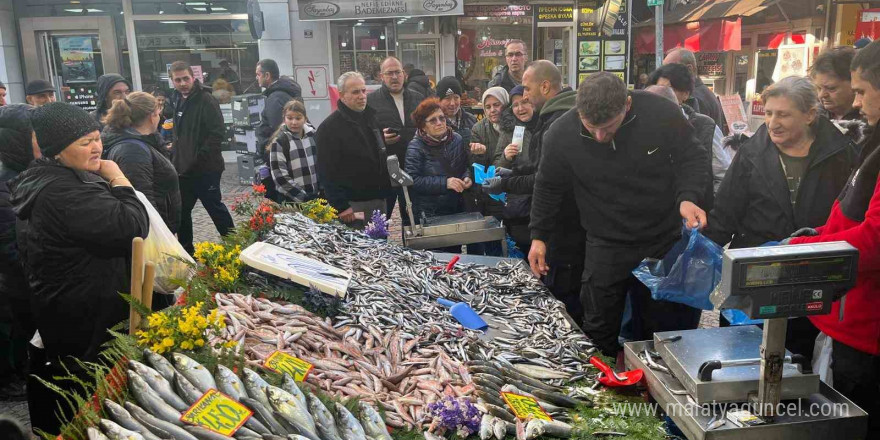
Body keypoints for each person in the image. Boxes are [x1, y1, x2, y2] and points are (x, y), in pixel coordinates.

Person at [529, 72, 708, 357]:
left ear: (627, 104)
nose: (600, 136)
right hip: (605, 241)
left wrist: (688, 198)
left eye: (609, 127)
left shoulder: (661, 113)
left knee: (657, 327)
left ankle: (651, 390)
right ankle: (601, 387)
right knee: (597, 326)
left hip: (660, 238)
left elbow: (693, 157)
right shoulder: (560, 134)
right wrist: (539, 237)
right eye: (591, 128)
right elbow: (547, 186)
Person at [8, 102, 148, 434]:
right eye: (85, 142)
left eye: (97, 138)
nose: (97, 147)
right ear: (57, 148)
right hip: (86, 316)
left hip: (71, 306)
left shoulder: (51, 179)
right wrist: (117, 178)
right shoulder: (64, 192)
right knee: (91, 395)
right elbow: (132, 225)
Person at [705, 76, 858, 361]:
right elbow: (725, 213)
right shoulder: (751, 152)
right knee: (743, 358)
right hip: (756, 273)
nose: (773, 122)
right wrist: (703, 258)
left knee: (799, 360)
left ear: (810, 115)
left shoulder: (841, 153)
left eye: (784, 114)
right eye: (770, 112)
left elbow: (851, 215)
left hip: (813, 273)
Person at [784, 40, 880, 435]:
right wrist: (821, 235)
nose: (856, 103)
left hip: (866, 334)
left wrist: (805, 250)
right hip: (848, 323)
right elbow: (856, 214)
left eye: (861, 90)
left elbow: (874, 240)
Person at [484, 60, 584, 325]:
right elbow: (541, 169)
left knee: (566, 294)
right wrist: (511, 173)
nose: (524, 96)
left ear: (545, 86)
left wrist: (506, 183)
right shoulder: (557, 116)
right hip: (566, 222)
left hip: (565, 225)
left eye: (527, 89)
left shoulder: (557, 123)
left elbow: (545, 180)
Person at [167, 61, 234, 254]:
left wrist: (199, 158)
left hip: (205, 168)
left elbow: (217, 133)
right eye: (178, 80)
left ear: (193, 78)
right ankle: (187, 252)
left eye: (185, 78)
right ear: (172, 81)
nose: (182, 83)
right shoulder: (177, 99)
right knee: (182, 212)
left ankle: (235, 247)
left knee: (215, 208)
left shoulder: (206, 99)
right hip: (183, 168)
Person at [316, 72, 391, 229]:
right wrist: (341, 206)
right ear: (342, 95)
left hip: (378, 200)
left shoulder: (372, 118)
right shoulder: (328, 128)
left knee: (380, 250)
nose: (362, 96)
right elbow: (326, 173)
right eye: (355, 92)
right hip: (352, 206)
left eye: (364, 91)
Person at [647, 64, 727, 208]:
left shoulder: (704, 126)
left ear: (685, 94)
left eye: (668, 89)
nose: (660, 95)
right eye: (656, 88)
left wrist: (713, 213)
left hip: (695, 216)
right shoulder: (643, 125)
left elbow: (722, 176)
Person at [101, 91, 181, 234]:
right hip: (152, 233)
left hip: (159, 227)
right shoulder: (132, 150)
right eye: (158, 113)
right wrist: (161, 235)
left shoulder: (142, 143)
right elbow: (143, 200)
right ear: (152, 116)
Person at [0, 104, 37, 400]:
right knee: (12, 328)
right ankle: (9, 378)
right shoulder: (6, 180)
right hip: (13, 280)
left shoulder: (23, 170)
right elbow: (9, 243)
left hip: (22, 276)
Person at [405, 97, 472, 234]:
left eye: (442, 118)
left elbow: (464, 165)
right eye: (433, 120)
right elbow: (412, 180)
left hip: (456, 207)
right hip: (431, 212)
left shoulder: (457, 139)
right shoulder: (415, 147)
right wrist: (444, 183)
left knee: (456, 250)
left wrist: (467, 177)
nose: (439, 123)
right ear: (423, 126)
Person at [368, 56, 425, 216]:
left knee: (413, 219)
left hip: (414, 167)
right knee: (380, 220)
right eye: (389, 73)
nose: (394, 77)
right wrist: (380, 140)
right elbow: (364, 136)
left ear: (404, 74)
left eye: (398, 72)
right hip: (385, 171)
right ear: (381, 76)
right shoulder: (371, 101)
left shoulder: (418, 98)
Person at [492, 85, 537, 254]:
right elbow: (497, 167)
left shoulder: (545, 123)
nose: (520, 108)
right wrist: (505, 156)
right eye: (515, 104)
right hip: (520, 206)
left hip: (542, 200)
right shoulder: (509, 129)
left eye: (524, 102)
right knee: (524, 251)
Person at [267, 100, 319, 202]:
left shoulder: (313, 136)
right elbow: (280, 176)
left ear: (305, 118)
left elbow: (322, 165)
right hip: (291, 199)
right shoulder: (280, 141)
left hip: (316, 197)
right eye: (289, 118)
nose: (294, 122)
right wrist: (303, 197)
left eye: (298, 118)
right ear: (284, 119)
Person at [664, 48, 726, 132]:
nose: (664, 73)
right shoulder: (703, 92)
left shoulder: (694, 97)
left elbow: (693, 134)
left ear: (689, 68)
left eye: (670, 68)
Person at [256, 59, 302, 151]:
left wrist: (269, 150)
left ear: (267, 75)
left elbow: (279, 130)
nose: (256, 78)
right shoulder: (284, 92)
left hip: (279, 152)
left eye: (258, 74)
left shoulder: (275, 98)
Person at [811, 46, 861, 121]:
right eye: (819, 88)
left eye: (831, 88)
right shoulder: (813, 119)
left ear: (853, 83)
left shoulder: (871, 120)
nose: (821, 95)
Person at [470, 87, 509, 169]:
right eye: (488, 107)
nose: (492, 110)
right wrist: (480, 154)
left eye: (496, 105)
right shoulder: (478, 129)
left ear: (506, 104)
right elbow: (477, 168)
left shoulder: (516, 124)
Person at [436, 76, 476, 146]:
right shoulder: (434, 122)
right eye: (447, 98)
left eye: (456, 98)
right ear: (439, 101)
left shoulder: (471, 119)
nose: (452, 103)